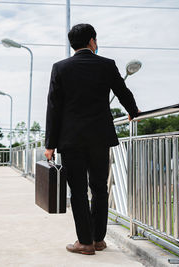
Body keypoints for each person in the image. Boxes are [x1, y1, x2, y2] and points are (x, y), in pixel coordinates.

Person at [44, 23, 140, 255]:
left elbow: (53, 107)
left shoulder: (60, 68)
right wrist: (133, 111)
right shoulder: (106, 65)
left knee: (77, 191)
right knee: (99, 188)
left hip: (70, 140)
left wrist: (50, 144)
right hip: (100, 137)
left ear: (72, 44)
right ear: (92, 41)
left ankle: (84, 242)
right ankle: (98, 239)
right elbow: (122, 92)